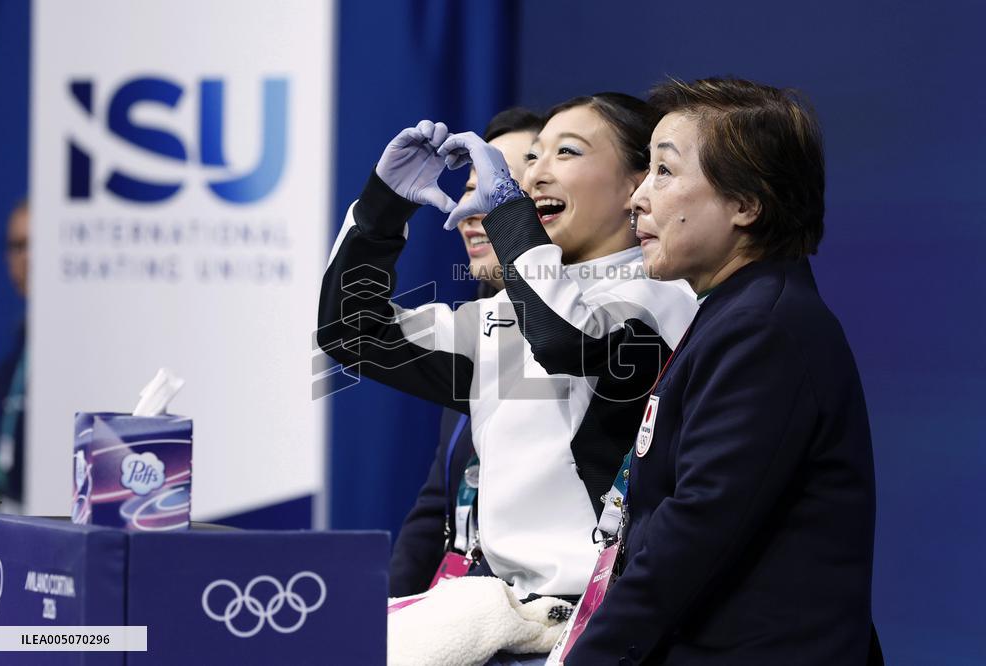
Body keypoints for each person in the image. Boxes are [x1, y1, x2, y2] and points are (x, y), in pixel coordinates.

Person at [317, 93, 696, 599]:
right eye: (533, 157)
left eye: (567, 152)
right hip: (507, 616)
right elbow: (353, 331)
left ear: (636, 184)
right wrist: (382, 207)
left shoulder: (664, 298)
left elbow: (567, 341)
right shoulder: (502, 316)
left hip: (602, 621)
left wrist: (511, 220)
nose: (534, 175)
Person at [554, 78, 879, 665]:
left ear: (746, 205)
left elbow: (694, 533)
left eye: (665, 172)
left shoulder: (765, 330)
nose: (638, 199)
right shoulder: (735, 315)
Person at [389, 108, 543, 597]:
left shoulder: (599, 333)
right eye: (472, 185)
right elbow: (436, 507)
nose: (473, 209)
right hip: (457, 604)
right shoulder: (478, 326)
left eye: (502, 187)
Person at [0, 200, 29, 512]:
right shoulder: (10, 363)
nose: (26, 258)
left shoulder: (84, 354)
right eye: (17, 246)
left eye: (34, 244)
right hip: (11, 522)